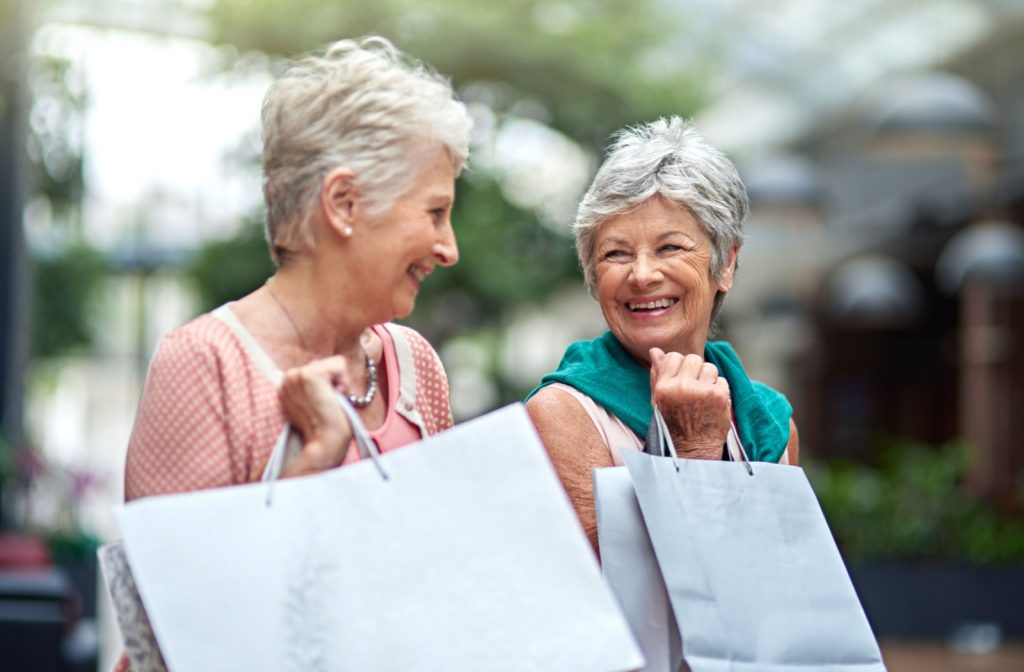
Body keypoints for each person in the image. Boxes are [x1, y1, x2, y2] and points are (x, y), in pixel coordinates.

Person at [124, 35, 471, 499]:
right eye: (435, 213)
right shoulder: (205, 364)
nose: (449, 249)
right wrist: (317, 457)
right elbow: (181, 572)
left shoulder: (414, 363)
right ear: (343, 203)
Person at [526, 116, 798, 552]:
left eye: (670, 247)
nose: (642, 275)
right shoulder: (564, 413)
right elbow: (597, 589)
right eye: (615, 253)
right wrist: (692, 449)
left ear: (725, 263)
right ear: (593, 274)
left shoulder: (771, 421)